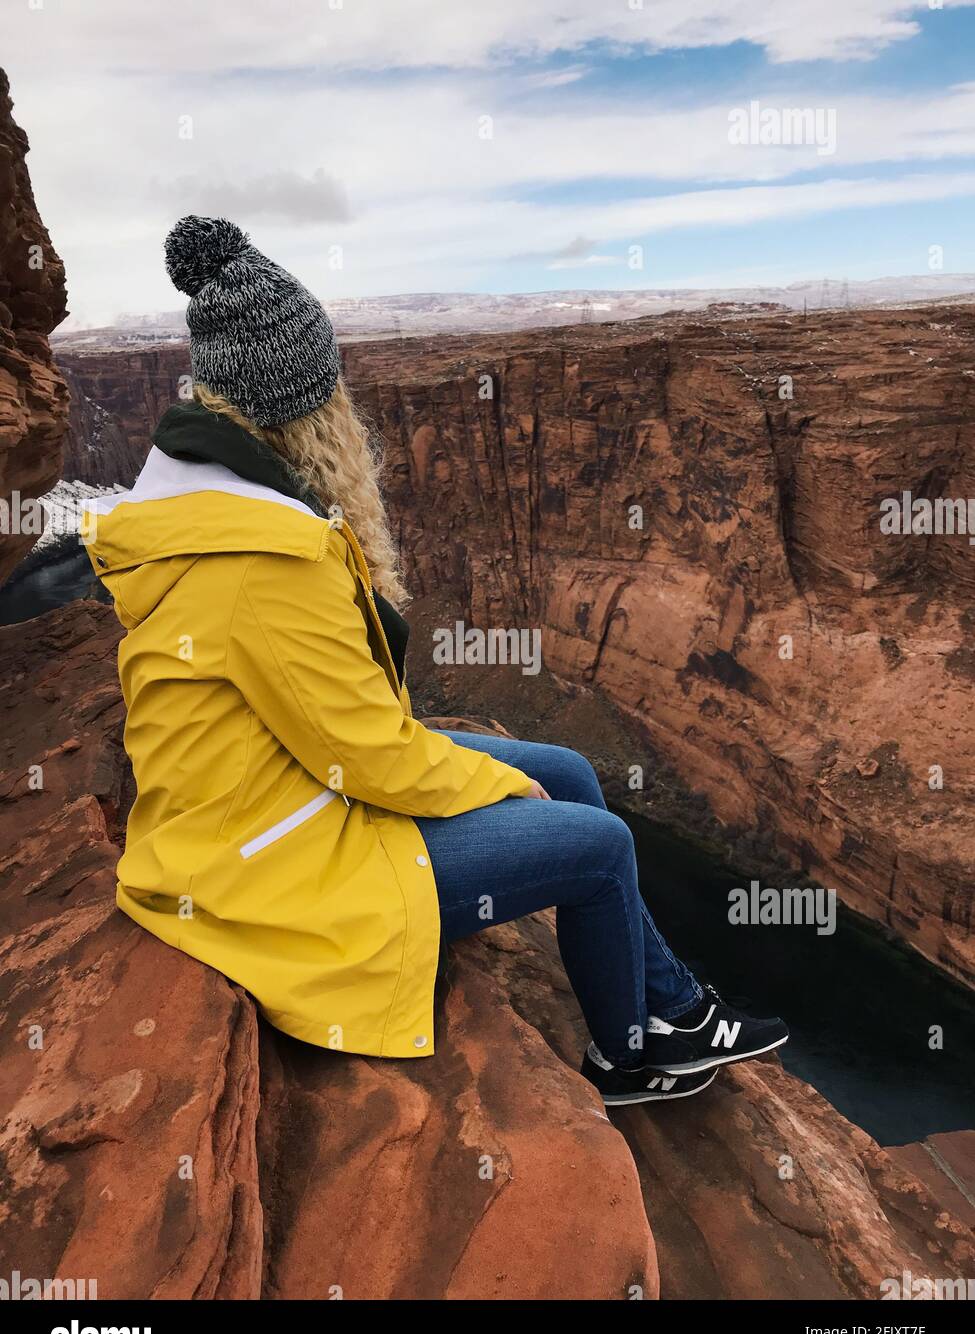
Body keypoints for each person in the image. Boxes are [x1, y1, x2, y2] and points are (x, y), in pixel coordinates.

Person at [82, 216, 788, 1108]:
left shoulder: (210, 504)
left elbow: (336, 726)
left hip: (285, 792)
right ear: (299, 408)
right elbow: (367, 754)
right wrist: (486, 787)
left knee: (568, 767)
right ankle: (633, 1058)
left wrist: (485, 778)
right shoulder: (260, 560)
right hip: (275, 861)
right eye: (329, 390)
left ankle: (673, 1010)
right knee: (600, 845)